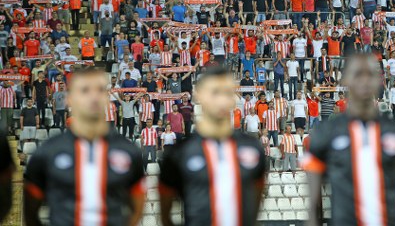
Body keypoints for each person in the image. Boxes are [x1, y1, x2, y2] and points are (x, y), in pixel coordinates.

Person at [303, 53, 395, 226]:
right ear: (345, 80)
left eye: (370, 74)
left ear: (378, 80)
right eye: (357, 74)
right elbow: (313, 206)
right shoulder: (326, 134)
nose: (364, 80)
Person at [23, 68, 145, 226]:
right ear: (69, 99)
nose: (93, 97)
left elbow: (137, 209)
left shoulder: (128, 151)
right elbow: (30, 213)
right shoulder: (47, 153)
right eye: (85, 90)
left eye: (100, 90)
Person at [159, 67, 266, 226]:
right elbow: (165, 214)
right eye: (215, 92)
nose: (222, 100)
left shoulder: (253, 148)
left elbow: (255, 204)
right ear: (199, 95)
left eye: (227, 93)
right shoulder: (180, 152)